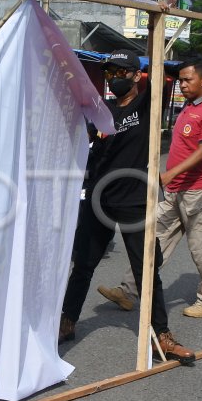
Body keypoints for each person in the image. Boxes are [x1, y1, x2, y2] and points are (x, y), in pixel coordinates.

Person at [60, 51, 195, 364]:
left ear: (138, 76)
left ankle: (162, 336)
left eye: (123, 72)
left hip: (135, 200)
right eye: (111, 73)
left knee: (146, 271)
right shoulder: (102, 109)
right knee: (83, 265)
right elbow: (86, 139)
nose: (115, 77)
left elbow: (164, 69)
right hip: (98, 198)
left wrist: (154, 25)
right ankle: (66, 323)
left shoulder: (148, 105)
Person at [99, 57, 202, 318]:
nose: (183, 85)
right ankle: (129, 290)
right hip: (175, 190)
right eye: (181, 80)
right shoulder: (187, 109)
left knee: (200, 246)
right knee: (151, 242)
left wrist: (168, 175)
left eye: (189, 80)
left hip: (198, 191)